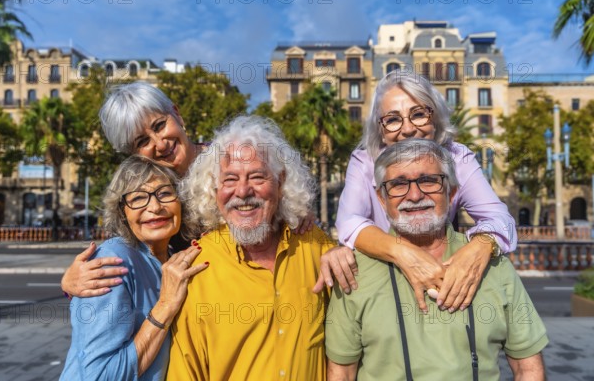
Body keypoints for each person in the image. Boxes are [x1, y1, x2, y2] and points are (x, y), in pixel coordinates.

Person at [60, 82, 316, 298]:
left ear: (177, 115)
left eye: (159, 126)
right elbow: (129, 250)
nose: (160, 144)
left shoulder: (231, 159)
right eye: (143, 141)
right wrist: (70, 283)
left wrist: (296, 213)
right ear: (134, 154)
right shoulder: (149, 199)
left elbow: (279, 196)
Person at [326, 139, 548, 380]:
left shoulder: (493, 263)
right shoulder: (353, 271)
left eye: (428, 181)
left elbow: (528, 367)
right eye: (398, 184)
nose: (414, 194)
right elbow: (341, 373)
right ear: (382, 199)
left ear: (451, 193)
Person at [331, 70, 517, 313]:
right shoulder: (365, 160)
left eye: (418, 114)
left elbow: (501, 219)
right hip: (382, 277)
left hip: (440, 281)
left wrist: (481, 246)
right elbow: (348, 222)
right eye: (393, 119)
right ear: (381, 129)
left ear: (436, 117)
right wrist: (403, 253)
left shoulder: (458, 157)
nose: (408, 129)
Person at [166, 115, 334, 380]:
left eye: (257, 176)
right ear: (214, 189)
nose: (243, 192)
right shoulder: (197, 267)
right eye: (230, 180)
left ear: (280, 182)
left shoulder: (317, 247)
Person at [60, 155, 208, 380]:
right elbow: (100, 376)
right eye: (139, 198)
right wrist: (165, 306)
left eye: (165, 194)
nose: (155, 207)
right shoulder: (113, 261)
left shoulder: (173, 258)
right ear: (122, 212)